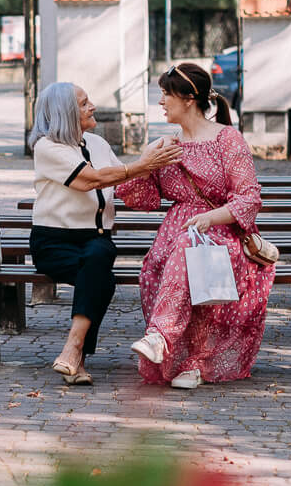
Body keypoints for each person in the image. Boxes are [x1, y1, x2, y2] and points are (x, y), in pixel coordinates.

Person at [114, 62, 274, 389]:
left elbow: (249, 198)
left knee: (191, 255)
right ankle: (183, 359)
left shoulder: (227, 139)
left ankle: (164, 339)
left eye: (165, 94)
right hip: (175, 234)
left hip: (222, 234)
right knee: (159, 263)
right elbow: (141, 198)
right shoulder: (167, 145)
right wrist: (146, 162)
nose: (160, 102)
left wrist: (209, 218)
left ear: (188, 99)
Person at [29, 81, 182, 385]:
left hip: (96, 239)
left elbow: (124, 182)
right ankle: (77, 356)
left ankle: (73, 353)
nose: (93, 107)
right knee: (101, 277)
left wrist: (156, 155)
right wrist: (140, 165)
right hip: (54, 243)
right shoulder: (47, 147)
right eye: (84, 103)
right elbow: (91, 180)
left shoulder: (97, 143)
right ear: (67, 113)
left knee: (98, 259)